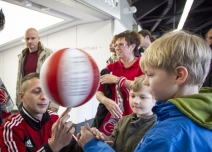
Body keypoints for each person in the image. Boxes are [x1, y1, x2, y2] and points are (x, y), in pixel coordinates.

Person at [78, 30, 212, 152]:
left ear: (179, 75)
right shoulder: (200, 117)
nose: (146, 81)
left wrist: (93, 146)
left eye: (150, 75)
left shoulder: (166, 136)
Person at [0, 73, 80, 152]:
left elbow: (71, 147)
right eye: (36, 92)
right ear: (22, 97)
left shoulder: (54, 118)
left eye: (47, 92)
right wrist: (53, 145)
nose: (44, 97)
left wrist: (85, 144)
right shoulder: (10, 128)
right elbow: (55, 145)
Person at [88, 75, 156, 152]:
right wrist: (99, 135)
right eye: (133, 96)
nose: (135, 101)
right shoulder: (123, 121)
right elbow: (112, 143)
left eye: (143, 97)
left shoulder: (157, 127)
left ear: (155, 99)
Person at [95, 30, 144, 135]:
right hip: (112, 120)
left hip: (136, 118)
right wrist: (105, 101)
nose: (116, 48)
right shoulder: (110, 68)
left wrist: (117, 80)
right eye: (116, 45)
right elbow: (98, 92)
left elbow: (145, 89)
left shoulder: (143, 66)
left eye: (121, 44)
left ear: (132, 47)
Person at [16, 28, 59, 112]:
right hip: (28, 101)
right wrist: (18, 102)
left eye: (33, 38)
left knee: (44, 125)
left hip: (43, 100)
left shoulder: (48, 53)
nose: (30, 41)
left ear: (38, 38)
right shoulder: (22, 56)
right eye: (27, 39)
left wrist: (54, 105)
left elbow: (55, 79)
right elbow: (19, 81)